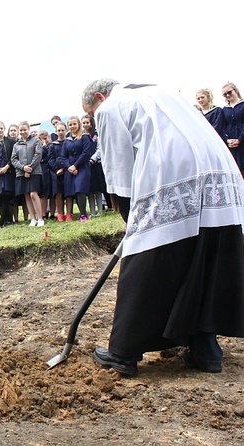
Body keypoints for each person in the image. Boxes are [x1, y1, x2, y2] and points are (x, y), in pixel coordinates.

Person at [82, 79, 244, 376]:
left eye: (91, 114)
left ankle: (123, 352)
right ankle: (206, 350)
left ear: (99, 98)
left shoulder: (110, 108)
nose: (94, 120)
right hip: (221, 175)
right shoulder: (165, 92)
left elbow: (120, 175)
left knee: (146, 261)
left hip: (172, 177)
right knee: (200, 259)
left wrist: (134, 225)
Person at [60, 116, 93, 222]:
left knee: (80, 189)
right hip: (70, 169)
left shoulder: (84, 137)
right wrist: (69, 166)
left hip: (82, 167)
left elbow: (86, 153)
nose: (72, 126)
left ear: (79, 124)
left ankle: (83, 214)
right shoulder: (67, 141)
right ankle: (80, 213)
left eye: (74, 124)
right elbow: (63, 156)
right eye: (70, 124)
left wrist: (76, 166)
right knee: (73, 191)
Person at [11, 121, 44, 227]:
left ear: (28, 129)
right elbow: (13, 159)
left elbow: (38, 155)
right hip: (21, 173)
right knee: (27, 196)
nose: (23, 132)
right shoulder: (16, 145)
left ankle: (40, 218)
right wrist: (23, 168)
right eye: (21, 130)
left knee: (33, 194)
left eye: (25, 129)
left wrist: (30, 167)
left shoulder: (36, 141)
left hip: (35, 171)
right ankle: (33, 219)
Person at [83, 114, 106, 217]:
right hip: (85, 166)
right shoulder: (82, 136)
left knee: (97, 189)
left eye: (87, 122)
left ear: (92, 123)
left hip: (96, 164)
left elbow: (100, 149)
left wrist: (93, 159)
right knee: (90, 190)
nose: (85, 125)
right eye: (83, 123)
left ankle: (100, 210)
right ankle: (92, 211)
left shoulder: (97, 134)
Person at [222, 82, 244, 175]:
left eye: (229, 92)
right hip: (231, 143)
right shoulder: (225, 109)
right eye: (224, 94)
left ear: (236, 91)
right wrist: (227, 140)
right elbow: (222, 127)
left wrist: (240, 139)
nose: (227, 95)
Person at [47, 122, 67, 221]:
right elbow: (50, 159)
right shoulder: (52, 145)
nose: (61, 132)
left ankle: (68, 213)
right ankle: (60, 214)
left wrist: (65, 168)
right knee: (58, 193)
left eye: (62, 130)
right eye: (59, 130)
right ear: (56, 132)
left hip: (68, 171)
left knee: (68, 193)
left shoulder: (68, 143)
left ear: (66, 130)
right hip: (56, 173)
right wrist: (57, 169)